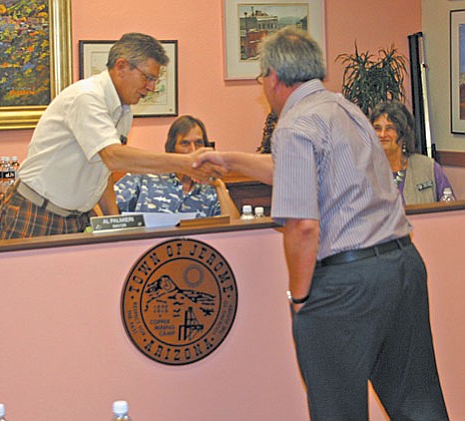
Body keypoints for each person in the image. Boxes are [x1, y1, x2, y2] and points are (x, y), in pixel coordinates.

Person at [194, 27, 448, 420]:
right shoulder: (345, 109)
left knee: (336, 409)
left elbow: (303, 227)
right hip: (402, 267)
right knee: (417, 403)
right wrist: (230, 161)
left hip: (347, 283)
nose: (263, 86)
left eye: (262, 78)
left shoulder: (294, 125)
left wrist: (300, 298)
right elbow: (303, 171)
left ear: (275, 77)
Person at [0, 33, 222, 239]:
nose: (151, 87)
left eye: (154, 80)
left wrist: (117, 224)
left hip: (75, 219)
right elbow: (114, 157)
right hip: (37, 213)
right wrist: (185, 163)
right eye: (147, 78)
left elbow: (103, 171)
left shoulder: (123, 112)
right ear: (121, 66)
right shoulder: (87, 98)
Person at [114, 115, 239, 219]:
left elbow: (234, 229)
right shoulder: (145, 177)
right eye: (185, 143)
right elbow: (106, 214)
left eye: (198, 143)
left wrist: (219, 185)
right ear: (172, 148)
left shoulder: (211, 189)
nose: (193, 150)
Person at [371, 101, 455, 204]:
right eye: (377, 128)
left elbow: (450, 209)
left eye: (390, 128)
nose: (382, 134)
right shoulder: (364, 170)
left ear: (404, 133)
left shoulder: (428, 167)